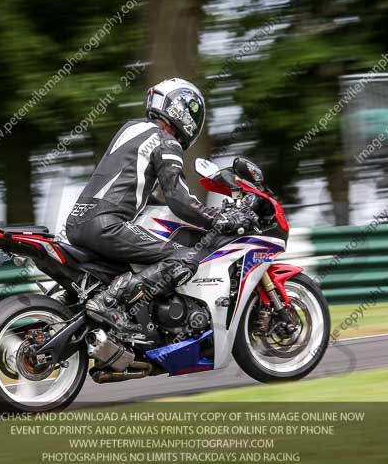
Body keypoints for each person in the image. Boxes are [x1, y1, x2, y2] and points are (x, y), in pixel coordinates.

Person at [66, 78, 255, 333]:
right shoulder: (166, 142)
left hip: (77, 222)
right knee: (184, 257)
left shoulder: (130, 129)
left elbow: (132, 188)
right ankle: (108, 301)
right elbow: (179, 200)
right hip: (107, 224)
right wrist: (219, 218)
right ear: (181, 109)